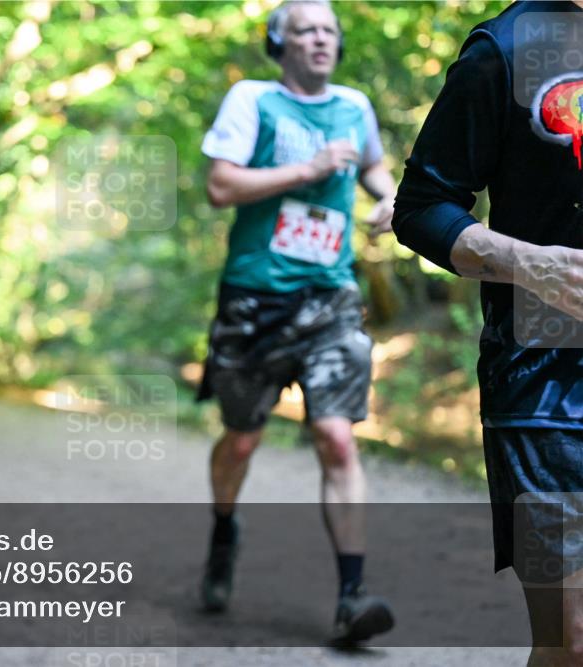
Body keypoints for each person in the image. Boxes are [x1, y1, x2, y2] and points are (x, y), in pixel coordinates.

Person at [197, 0, 398, 643]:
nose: (320, 39)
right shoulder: (252, 101)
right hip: (254, 299)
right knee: (242, 440)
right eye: (305, 29)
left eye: (329, 31)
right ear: (278, 43)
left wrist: (390, 199)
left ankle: (352, 596)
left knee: (337, 437)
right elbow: (220, 186)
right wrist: (304, 171)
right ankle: (225, 528)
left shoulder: (355, 106)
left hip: (330, 296)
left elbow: (372, 166)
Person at [392, 2, 582, 662]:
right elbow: (420, 209)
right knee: (572, 639)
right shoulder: (504, 48)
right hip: (543, 387)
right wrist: (529, 263)